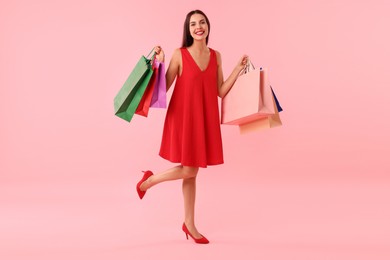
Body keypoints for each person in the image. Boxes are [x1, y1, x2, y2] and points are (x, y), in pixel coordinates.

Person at [136, 9, 248, 244]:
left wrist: (238, 68)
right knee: (191, 170)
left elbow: (219, 91)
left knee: (191, 173)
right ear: (188, 29)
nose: (199, 27)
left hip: (204, 118)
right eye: (193, 24)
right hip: (183, 117)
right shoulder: (180, 54)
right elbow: (163, 89)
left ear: (208, 27)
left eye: (202, 23)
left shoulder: (216, 56)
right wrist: (161, 61)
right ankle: (148, 182)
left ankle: (189, 223)